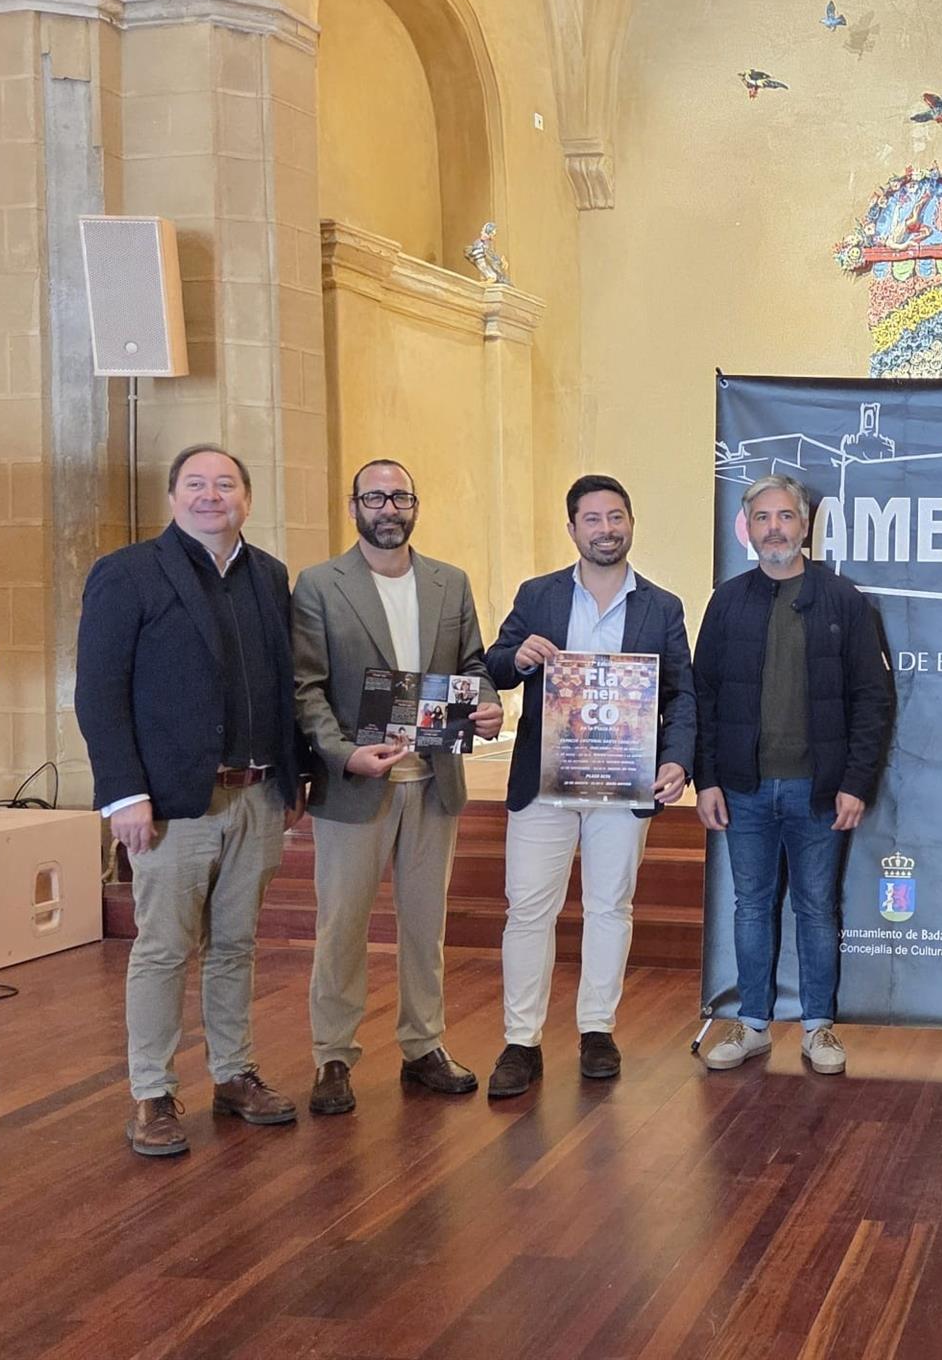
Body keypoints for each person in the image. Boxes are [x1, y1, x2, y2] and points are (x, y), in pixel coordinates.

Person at [75, 444, 306, 1156]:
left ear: (248, 498)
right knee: (165, 948)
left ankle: (233, 1073)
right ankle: (152, 1092)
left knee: (235, 945)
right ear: (173, 497)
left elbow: (282, 681)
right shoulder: (127, 573)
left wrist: (293, 773)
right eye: (197, 485)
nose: (213, 496)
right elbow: (98, 692)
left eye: (227, 484)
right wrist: (124, 794)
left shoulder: (268, 574)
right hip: (174, 803)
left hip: (257, 794)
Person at [291, 459, 505, 1115]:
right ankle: (333, 1054)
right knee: (342, 927)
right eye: (376, 496)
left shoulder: (450, 582)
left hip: (433, 780)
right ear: (354, 504)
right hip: (356, 785)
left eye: (401, 496)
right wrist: (344, 754)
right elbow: (307, 689)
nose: (389, 507)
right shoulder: (320, 586)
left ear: (416, 505)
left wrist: (488, 702)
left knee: (424, 925)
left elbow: (470, 666)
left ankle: (424, 1046)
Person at [482, 475, 696, 1097]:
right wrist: (519, 658)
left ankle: (597, 1029)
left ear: (631, 523)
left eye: (617, 516)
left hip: (622, 781)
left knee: (610, 907)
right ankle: (521, 1041)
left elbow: (683, 694)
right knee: (528, 909)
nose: (607, 528)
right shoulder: (539, 594)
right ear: (572, 528)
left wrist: (678, 760)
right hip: (543, 782)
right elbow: (494, 661)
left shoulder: (662, 606)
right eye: (593, 519)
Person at [694, 473, 894, 1076]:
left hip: (819, 791)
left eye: (785, 516)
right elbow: (703, 698)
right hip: (744, 790)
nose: (774, 528)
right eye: (762, 518)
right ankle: (753, 1024)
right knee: (750, 907)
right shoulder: (728, 601)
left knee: (816, 908)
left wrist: (856, 782)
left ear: (805, 525)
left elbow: (873, 698)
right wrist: (706, 779)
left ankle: (818, 1028)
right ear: (747, 528)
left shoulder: (843, 600)